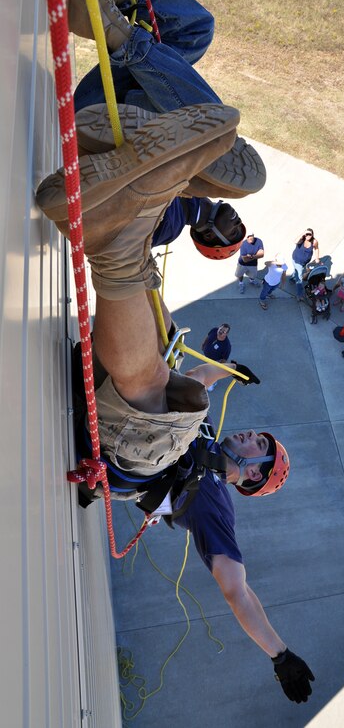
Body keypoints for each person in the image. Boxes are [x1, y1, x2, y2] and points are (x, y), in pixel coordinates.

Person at [37, 109, 314, 703]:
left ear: (250, 479)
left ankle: (120, 244)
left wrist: (280, 653)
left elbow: (237, 591)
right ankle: (130, 224)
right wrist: (227, 368)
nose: (255, 440)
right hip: (130, 428)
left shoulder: (214, 507)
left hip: (128, 448)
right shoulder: (207, 447)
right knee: (180, 384)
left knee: (169, 401)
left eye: (259, 452)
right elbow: (197, 383)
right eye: (264, 438)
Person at [69, 0, 266, 198]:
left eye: (232, 229)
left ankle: (115, 28)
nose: (233, 221)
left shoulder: (167, 217)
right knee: (197, 29)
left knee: (215, 128)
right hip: (117, 101)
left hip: (94, 117)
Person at [290, 229, 320, 300]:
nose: (308, 236)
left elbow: (316, 248)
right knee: (299, 279)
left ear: (312, 235)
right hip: (296, 260)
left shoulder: (314, 241)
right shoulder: (301, 239)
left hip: (304, 262)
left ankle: (292, 278)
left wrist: (317, 258)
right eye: (307, 234)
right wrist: (302, 234)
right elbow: (295, 241)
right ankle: (299, 295)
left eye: (310, 234)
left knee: (296, 272)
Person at [202, 324, 232, 390]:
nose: (221, 331)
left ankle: (213, 382)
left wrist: (218, 369)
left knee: (212, 372)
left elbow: (224, 359)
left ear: (226, 334)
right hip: (206, 357)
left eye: (223, 331)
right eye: (220, 329)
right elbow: (207, 337)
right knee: (207, 368)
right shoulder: (214, 330)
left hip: (214, 361)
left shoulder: (226, 346)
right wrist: (203, 344)